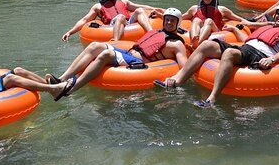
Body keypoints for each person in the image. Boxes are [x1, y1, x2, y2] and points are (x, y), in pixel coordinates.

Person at [154, 3, 279, 104]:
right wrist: (236, 31)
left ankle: (212, 98)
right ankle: (179, 80)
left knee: (230, 52)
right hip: (246, 48)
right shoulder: (268, 27)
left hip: (260, 54)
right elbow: (249, 40)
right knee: (206, 45)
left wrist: (272, 59)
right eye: (278, 13)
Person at [49, 8, 189, 99]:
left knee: (106, 54)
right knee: (94, 46)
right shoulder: (158, 32)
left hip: (138, 62)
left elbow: (185, 68)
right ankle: (62, 79)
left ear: (178, 23)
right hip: (128, 53)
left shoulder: (176, 44)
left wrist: (174, 80)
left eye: (173, 21)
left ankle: (69, 89)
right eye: (167, 19)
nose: (169, 22)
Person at [61, 0, 160, 42]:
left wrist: (156, 9)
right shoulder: (98, 6)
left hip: (128, 22)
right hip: (112, 25)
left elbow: (140, 6)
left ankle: (152, 34)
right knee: (120, 17)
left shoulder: (123, 1)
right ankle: (116, 41)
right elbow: (84, 20)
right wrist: (70, 32)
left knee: (139, 10)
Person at [182, 0, 250, 47]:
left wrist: (249, 23)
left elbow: (238, 18)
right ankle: (194, 41)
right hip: (200, 31)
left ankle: (197, 45)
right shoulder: (194, 9)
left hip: (215, 31)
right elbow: (180, 18)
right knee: (196, 20)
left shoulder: (222, 9)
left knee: (209, 21)